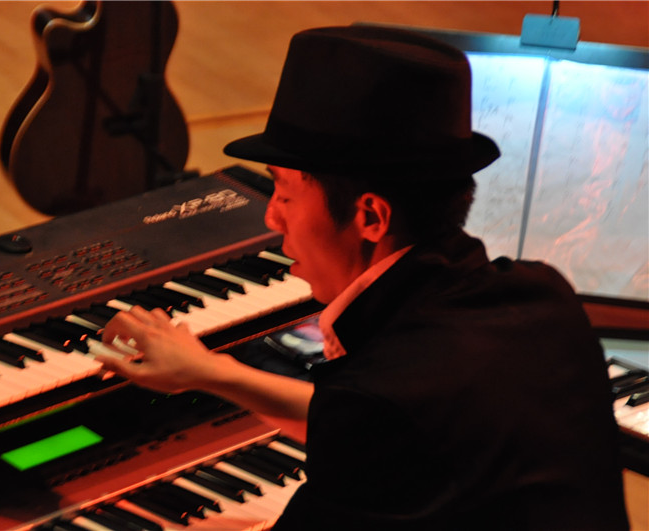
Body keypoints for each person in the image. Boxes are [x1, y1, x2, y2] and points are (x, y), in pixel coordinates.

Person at [96, 25, 629, 530]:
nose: (271, 217)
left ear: (371, 216)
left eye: (284, 194)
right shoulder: (545, 298)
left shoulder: (383, 401)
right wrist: (212, 371)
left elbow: (379, 421)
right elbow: (390, 420)